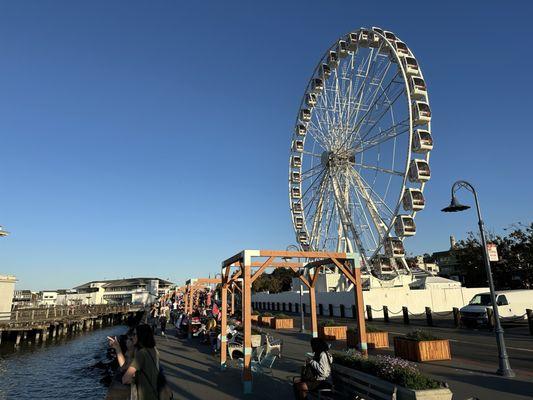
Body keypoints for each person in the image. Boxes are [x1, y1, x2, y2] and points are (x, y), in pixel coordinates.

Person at [122, 324, 160, 400]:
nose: (133, 337)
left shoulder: (141, 354)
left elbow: (125, 379)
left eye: (135, 334)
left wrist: (129, 351)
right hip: (154, 394)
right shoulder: (153, 350)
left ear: (141, 335)